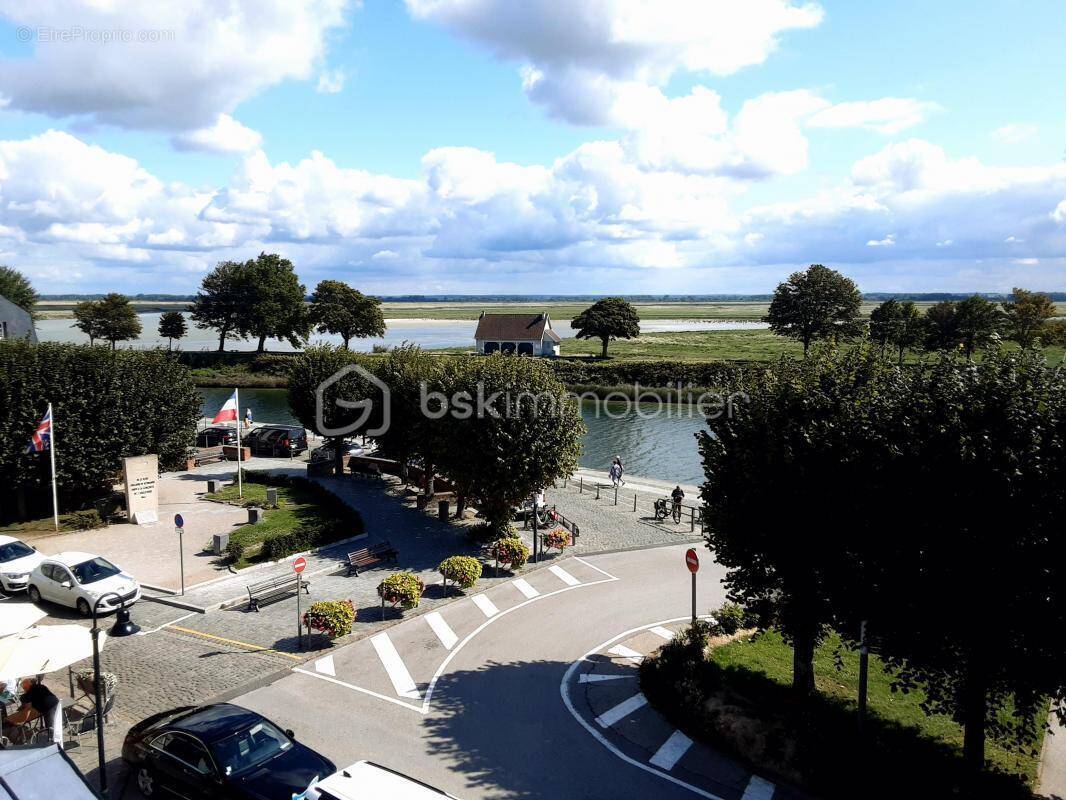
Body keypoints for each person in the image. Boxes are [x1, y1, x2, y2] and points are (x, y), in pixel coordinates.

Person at [5, 678, 60, 744]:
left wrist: (22, 720)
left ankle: (51, 741)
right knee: (50, 723)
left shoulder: (28, 694)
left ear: (27, 687)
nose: (23, 689)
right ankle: (49, 736)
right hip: (54, 702)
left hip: (49, 706)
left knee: (50, 725)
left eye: (24, 688)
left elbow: (26, 707)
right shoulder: (41, 686)